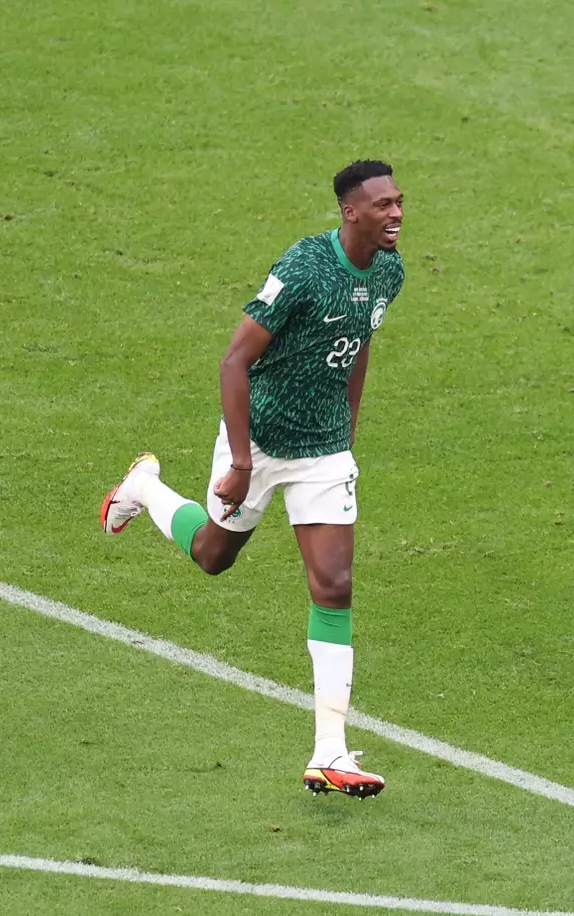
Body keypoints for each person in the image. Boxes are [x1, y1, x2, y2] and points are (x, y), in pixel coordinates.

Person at [99, 160, 405, 798]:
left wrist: (348, 425)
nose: (396, 213)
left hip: (322, 449)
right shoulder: (301, 268)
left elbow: (360, 340)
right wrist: (240, 463)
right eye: (383, 205)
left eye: (399, 202)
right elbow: (235, 360)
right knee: (213, 555)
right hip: (260, 440)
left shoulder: (390, 271)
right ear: (351, 211)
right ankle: (144, 488)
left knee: (335, 584)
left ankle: (330, 752)